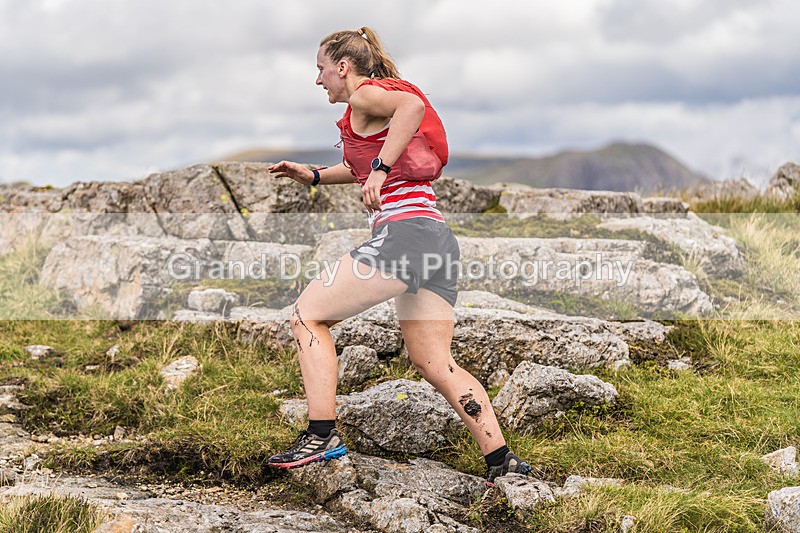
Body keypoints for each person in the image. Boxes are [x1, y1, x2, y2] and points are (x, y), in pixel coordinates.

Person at [266, 27, 531, 483]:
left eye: (321, 70)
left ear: (343, 68)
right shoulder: (370, 109)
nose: (318, 80)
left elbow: (413, 108)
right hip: (436, 238)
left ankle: (321, 435)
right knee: (434, 361)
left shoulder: (366, 94)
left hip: (404, 236)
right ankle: (502, 462)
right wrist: (309, 175)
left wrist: (381, 170)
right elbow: (357, 167)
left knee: (306, 316)